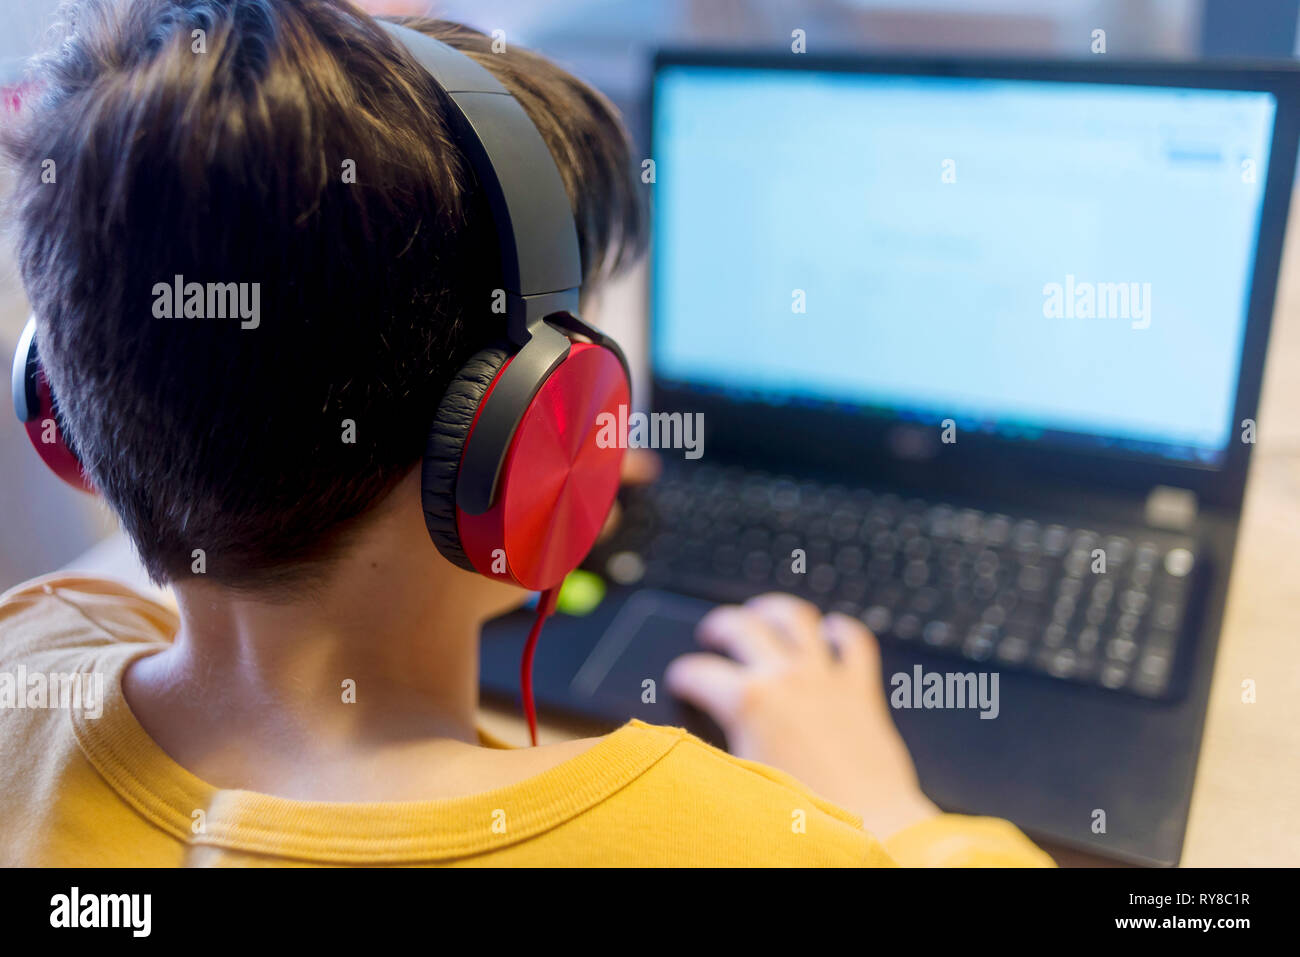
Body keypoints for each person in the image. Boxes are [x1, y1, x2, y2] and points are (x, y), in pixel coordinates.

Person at [0, 0, 1051, 867]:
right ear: (540, 427)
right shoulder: (736, 842)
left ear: (62, 405)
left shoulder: (31, 648)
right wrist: (892, 810)